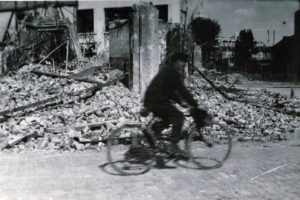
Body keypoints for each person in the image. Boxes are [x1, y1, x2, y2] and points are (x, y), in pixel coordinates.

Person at [143, 52, 212, 156]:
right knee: (179, 117)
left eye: (184, 63)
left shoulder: (168, 70)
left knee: (167, 119)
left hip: (152, 99)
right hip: (157, 100)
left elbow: (170, 91)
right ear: (176, 61)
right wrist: (195, 104)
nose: (183, 65)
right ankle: (173, 146)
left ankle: (152, 133)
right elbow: (182, 90)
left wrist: (181, 103)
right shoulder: (173, 73)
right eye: (182, 62)